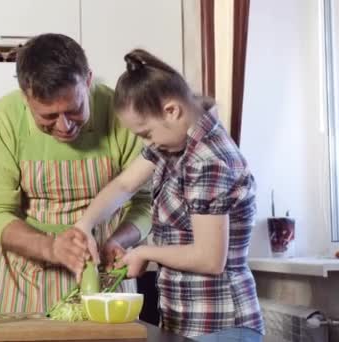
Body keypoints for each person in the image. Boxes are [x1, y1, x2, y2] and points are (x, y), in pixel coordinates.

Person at [75, 49, 264, 341]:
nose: (146, 142)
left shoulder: (207, 160)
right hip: (185, 319)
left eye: (146, 133)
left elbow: (209, 258)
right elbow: (125, 185)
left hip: (222, 323)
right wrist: (84, 226)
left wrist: (144, 252)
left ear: (172, 111)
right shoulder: (172, 143)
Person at [0, 33, 151, 313]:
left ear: (88, 81)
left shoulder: (121, 114)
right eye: (48, 117)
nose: (64, 126)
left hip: (105, 282)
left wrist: (119, 240)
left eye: (74, 109)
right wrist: (51, 248)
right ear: (26, 97)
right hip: (23, 284)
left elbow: (144, 201)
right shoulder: (3, 118)